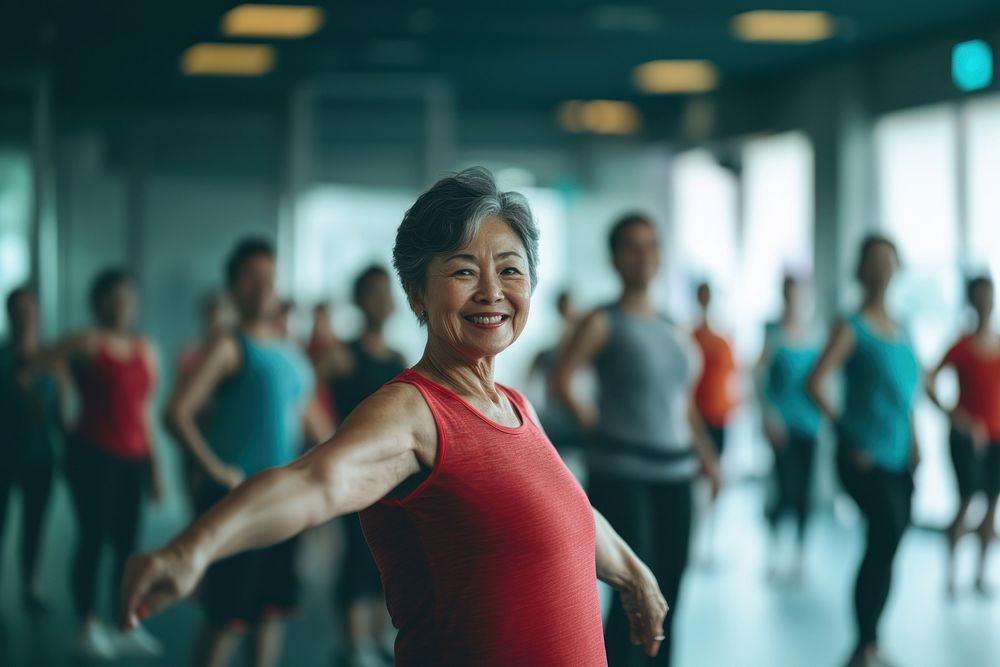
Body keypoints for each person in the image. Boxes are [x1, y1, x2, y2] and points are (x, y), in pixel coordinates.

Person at [120, 168, 669, 667]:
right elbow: (314, 481)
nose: (492, 292)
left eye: (510, 270)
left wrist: (631, 572)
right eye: (463, 271)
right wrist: (191, 550)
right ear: (416, 293)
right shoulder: (415, 412)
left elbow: (566, 510)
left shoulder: (512, 405)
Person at [552, 212, 722, 667]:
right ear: (614, 258)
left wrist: (708, 457)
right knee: (635, 592)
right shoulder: (604, 321)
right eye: (631, 245)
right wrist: (596, 427)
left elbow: (681, 403)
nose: (643, 254)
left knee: (670, 592)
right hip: (622, 473)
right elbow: (562, 380)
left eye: (651, 244)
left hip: (676, 472)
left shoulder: (671, 326)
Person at [163, 238, 330, 667]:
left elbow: (320, 430)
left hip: (282, 501)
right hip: (235, 498)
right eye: (252, 277)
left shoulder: (292, 355)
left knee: (270, 611)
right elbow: (176, 414)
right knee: (227, 616)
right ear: (234, 288)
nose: (262, 286)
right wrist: (215, 469)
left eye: (269, 277)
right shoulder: (228, 346)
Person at [35, 268, 165, 659]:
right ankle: (88, 625)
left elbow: (145, 412)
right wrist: (59, 408)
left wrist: (155, 468)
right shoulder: (86, 341)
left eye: (126, 295)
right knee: (93, 539)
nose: (120, 303)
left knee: (128, 546)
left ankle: (124, 625)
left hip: (133, 459)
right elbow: (37, 369)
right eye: (111, 296)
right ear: (97, 303)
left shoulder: (147, 348)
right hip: (91, 455)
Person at [807, 235, 920, 667]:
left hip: (899, 453)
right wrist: (848, 435)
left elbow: (906, 393)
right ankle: (862, 644)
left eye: (889, 261)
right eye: (874, 261)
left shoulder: (904, 326)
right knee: (885, 533)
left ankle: (872, 640)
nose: (882, 269)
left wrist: (916, 439)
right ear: (862, 270)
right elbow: (815, 383)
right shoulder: (850, 326)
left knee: (889, 541)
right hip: (861, 456)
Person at [316, 266, 406, 667]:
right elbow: (303, 396)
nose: (381, 301)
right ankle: (354, 644)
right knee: (355, 553)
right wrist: (327, 443)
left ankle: (374, 635)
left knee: (384, 556)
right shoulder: (341, 354)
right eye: (372, 293)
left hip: (390, 474)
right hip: (351, 470)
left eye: (385, 293)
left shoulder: (399, 358)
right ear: (358, 301)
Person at [926, 275, 1000, 596]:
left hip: (996, 438)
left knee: (992, 505)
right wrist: (956, 417)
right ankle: (951, 575)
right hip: (966, 439)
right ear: (971, 301)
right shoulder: (961, 345)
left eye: (990, 295)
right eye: (980, 295)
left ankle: (980, 576)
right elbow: (929, 380)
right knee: (966, 499)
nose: (985, 302)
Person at [0, 287, 68, 614]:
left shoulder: (52, 360)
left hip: (41, 457)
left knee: (34, 526)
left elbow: (62, 414)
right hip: (3, 455)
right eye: (18, 309)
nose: (24, 316)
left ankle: (30, 587)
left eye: (30, 309)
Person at [757, 275, 824, 581]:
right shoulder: (774, 335)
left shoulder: (816, 335)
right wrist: (768, 417)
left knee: (804, 491)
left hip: (809, 426)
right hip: (782, 427)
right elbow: (759, 380)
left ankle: (799, 554)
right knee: (784, 487)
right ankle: (773, 552)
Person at [691, 281, 737, 566]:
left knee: (717, 480)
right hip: (698, 418)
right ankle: (696, 538)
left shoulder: (722, 341)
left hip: (720, 417)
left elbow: (731, 379)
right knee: (700, 478)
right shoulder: (690, 337)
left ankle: (708, 538)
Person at [528, 290, 590, 457]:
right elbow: (530, 387)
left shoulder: (589, 347)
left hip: (579, 422)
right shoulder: (547, 353)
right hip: (560, 421)